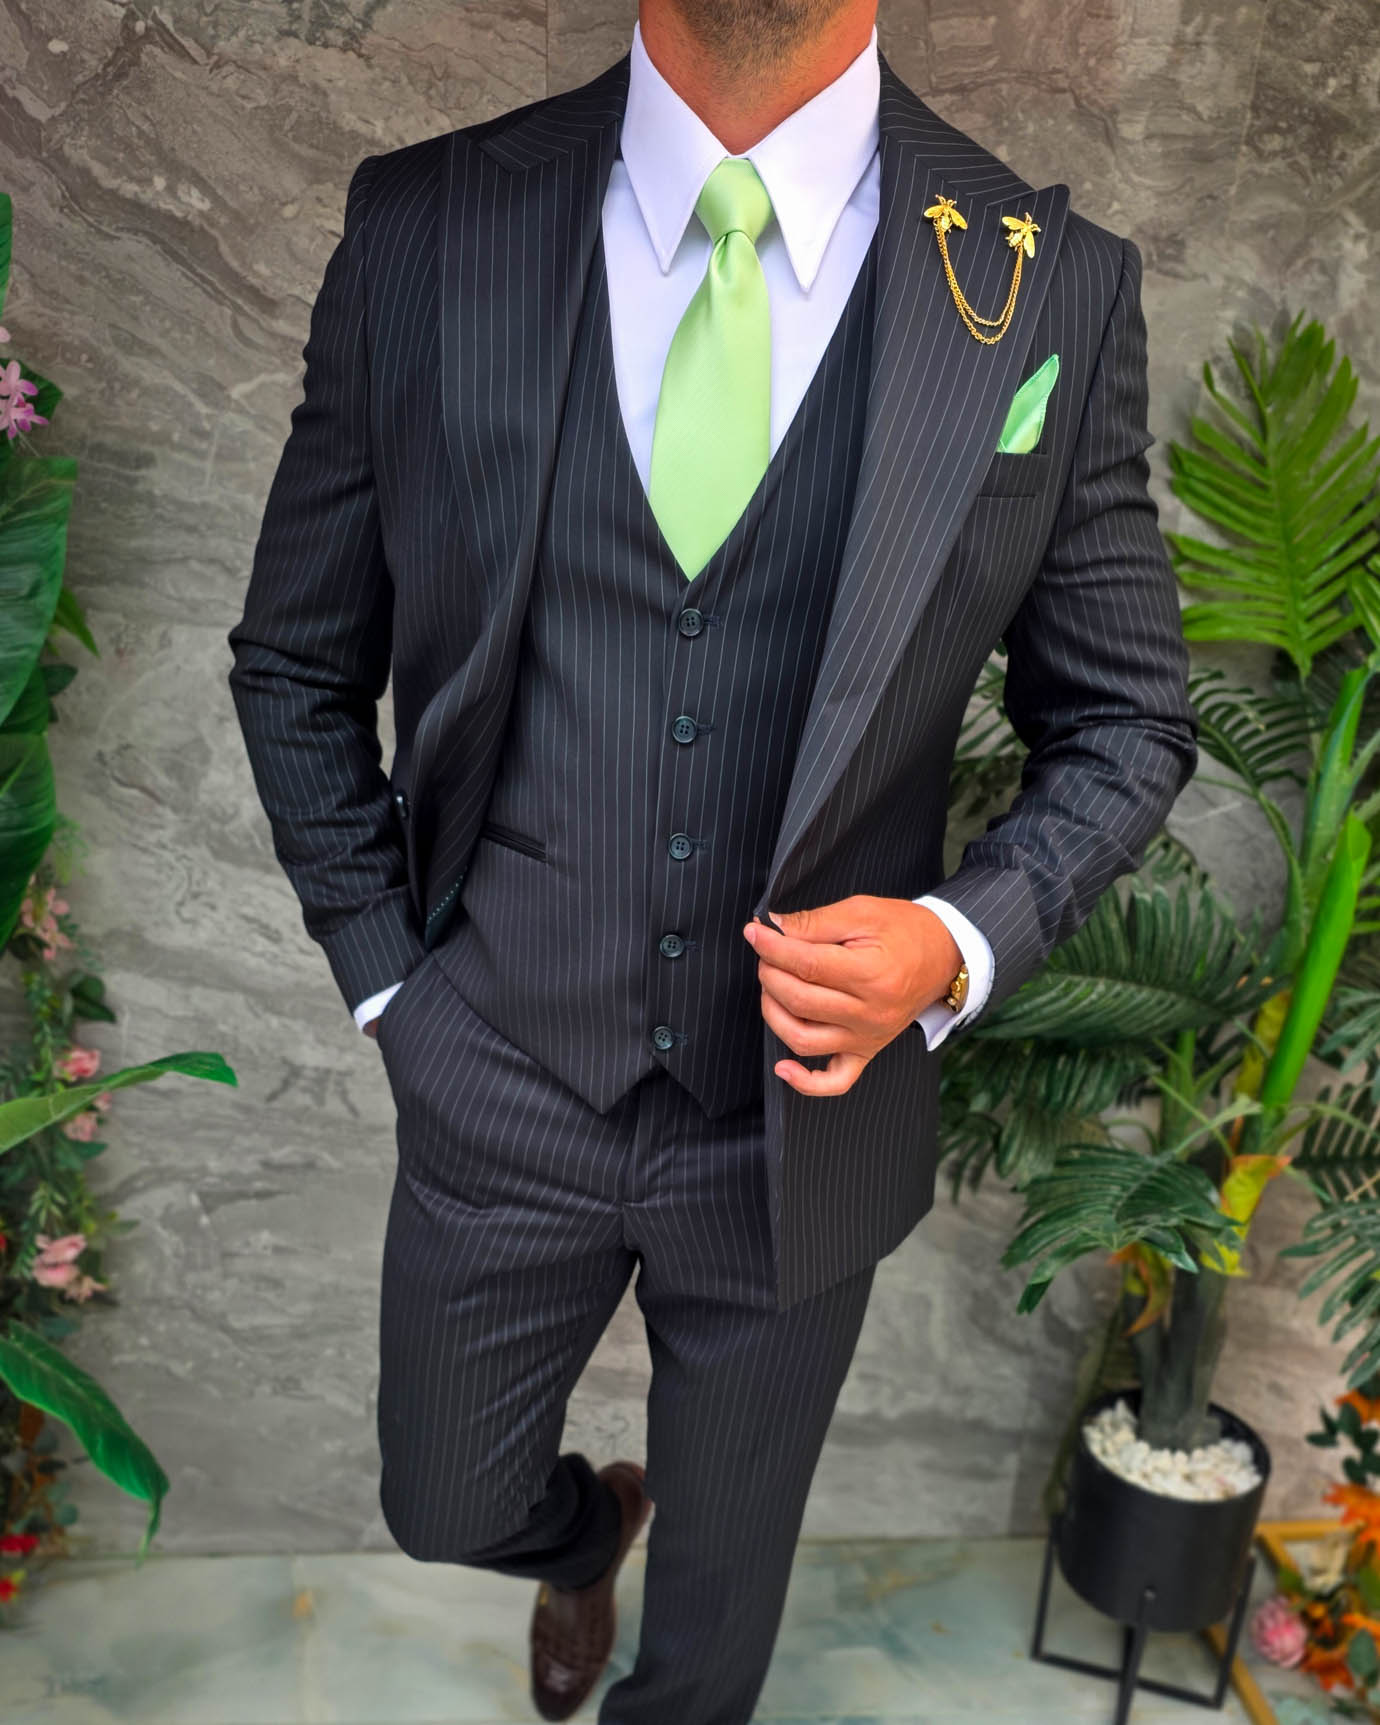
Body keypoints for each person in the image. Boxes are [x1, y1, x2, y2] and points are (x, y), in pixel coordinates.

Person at [226, 0, 1198, 1717]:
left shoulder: (1051, 283)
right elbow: (297, 660)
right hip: (498, 1055)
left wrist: (955, 941)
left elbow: (1126, 717)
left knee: (721, 1615)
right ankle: (582, 1533)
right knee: (443, 1499)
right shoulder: (428, 224)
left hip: (803, 1118)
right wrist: (390, 987)